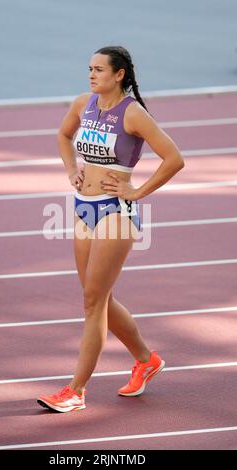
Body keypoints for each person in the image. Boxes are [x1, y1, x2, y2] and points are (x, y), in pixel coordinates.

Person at [37, 45, 184, 413]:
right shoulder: (82, 104)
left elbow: (174, 158)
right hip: (83, 207)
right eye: (90, 68)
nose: (92, 74)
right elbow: (62, 137)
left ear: (119, 74)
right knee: (96, 295)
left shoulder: (132, 113)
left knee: (93, 301)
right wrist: (72, 169)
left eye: (100, 69)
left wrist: (138, 191)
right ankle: (146, 359)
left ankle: (76, 390)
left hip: (116, 211)